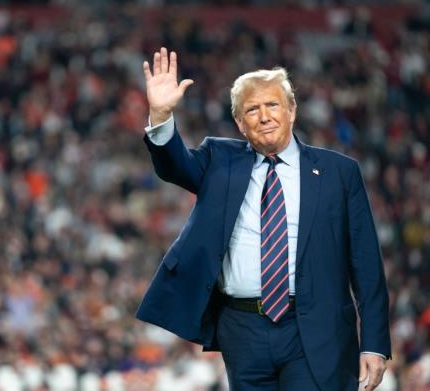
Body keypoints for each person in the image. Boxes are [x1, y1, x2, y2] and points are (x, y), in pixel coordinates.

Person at [135, 47, 391, 391]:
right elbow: (173, 165)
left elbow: (367, 265)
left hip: (315, 328)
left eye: (272, 105)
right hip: (242, 329)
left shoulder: (339, 172)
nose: (264, 115)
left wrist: (374, 342)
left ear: (292, 111)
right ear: (240, 123)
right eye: (251, 110)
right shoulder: (219, 160)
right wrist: (162, 115)